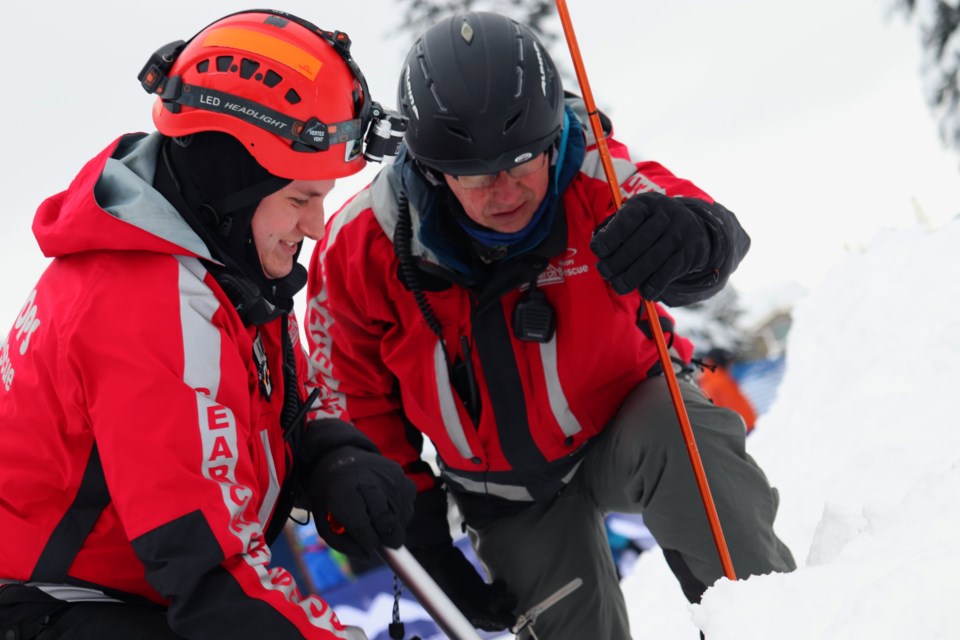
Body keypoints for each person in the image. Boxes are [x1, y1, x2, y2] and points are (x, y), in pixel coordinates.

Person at [306, 11, 796, 639]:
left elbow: (701, 222)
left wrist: (693, 238)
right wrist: (422, 537)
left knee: (687, 431)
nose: (503, 189)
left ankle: (773, 625)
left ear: (551, 136)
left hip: (632, 425)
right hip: (504, 492)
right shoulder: (360, 246)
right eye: (474, 174)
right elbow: (355, 405)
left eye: (522, 161)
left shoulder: (596, 173)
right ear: (430, 167)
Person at [0, 10, 415, 640]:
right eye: (301, 199)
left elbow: (278, 395)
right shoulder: (144, 308)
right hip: (48, 603)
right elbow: (211, 570)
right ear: (234, 181)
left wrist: (329, 453)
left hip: (128, 590)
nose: (316, 227)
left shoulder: (220, 265)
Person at [698, 348, 758, 434]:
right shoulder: (717, 381)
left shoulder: (714, 377)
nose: (731, 365)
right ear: (721, 361)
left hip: (741, 429)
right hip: (741, 430)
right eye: (729, 362)